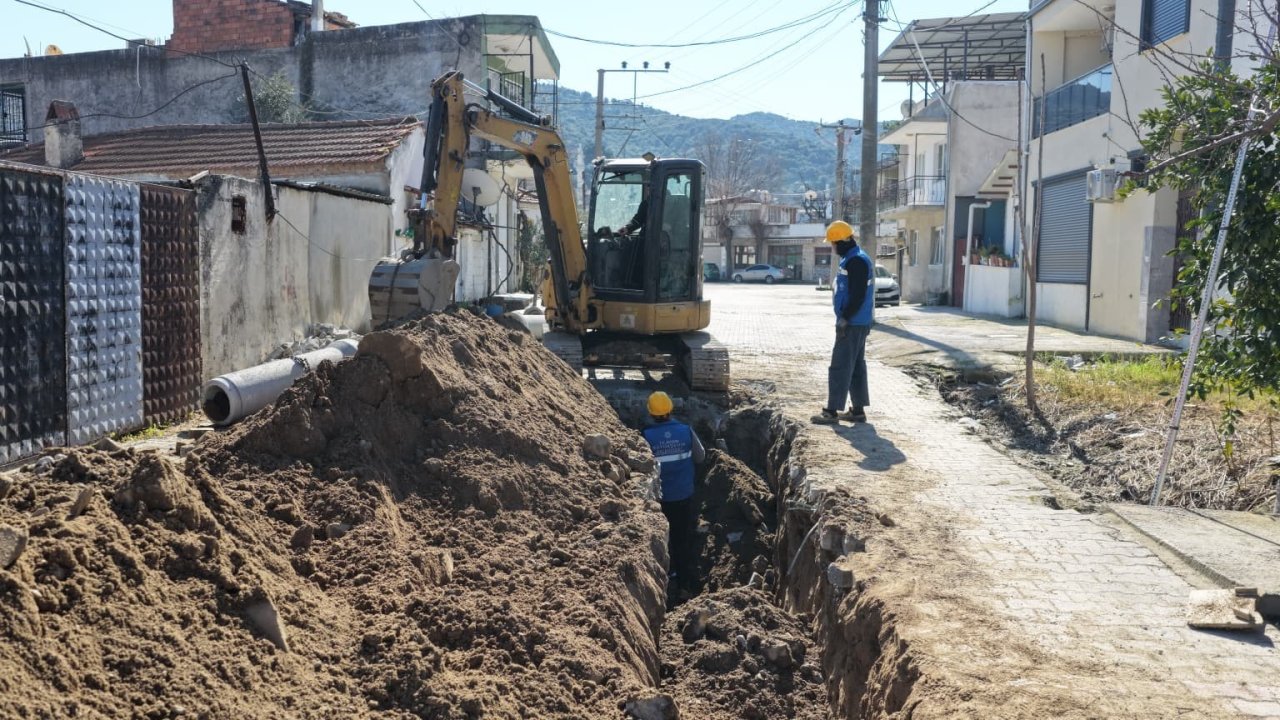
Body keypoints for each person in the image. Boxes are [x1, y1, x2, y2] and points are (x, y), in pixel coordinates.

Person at [641, 391, 705, 594]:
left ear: (651, 413)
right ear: (670, 409)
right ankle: (684, 580)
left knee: (664, 538)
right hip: (684, 495)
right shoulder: (686, 430)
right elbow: (700, 457)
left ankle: (666, 576)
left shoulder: (647, 436)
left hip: (660, 499)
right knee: (682, 538)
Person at [812, 220, 874, 425]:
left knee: (840, 366)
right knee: (856, 366)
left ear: (842, 241)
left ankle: (831, 411)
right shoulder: (852, 258)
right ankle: (857, 411)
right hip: (858, 321)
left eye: (833, 243)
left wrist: (845, 317)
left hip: (853, 323)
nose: (832, 247)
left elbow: (858, 294)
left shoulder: (856, 261)